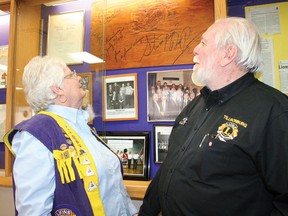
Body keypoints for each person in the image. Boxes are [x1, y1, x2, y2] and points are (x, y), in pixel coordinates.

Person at [139, 17, 288, 216]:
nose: (195, 49)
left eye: (203, 42)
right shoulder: (196, 105)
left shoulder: (273, 110)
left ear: (228, 54)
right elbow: (170, 167)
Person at [4, 56, 138, 216]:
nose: (79, 77)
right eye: (71, 75)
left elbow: (112, 187)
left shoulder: (81, 127)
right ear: (57, 89)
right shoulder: (36, 134)